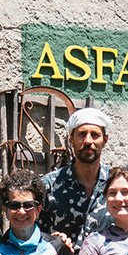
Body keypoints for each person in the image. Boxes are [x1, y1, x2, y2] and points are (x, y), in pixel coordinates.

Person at [39, 106, 111, 247]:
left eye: (95, 135)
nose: (88, 141)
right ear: (71, 139)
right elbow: (34, 234)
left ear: (105, 140)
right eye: (82, 134)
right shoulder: (50, 185)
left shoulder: (116, 184)